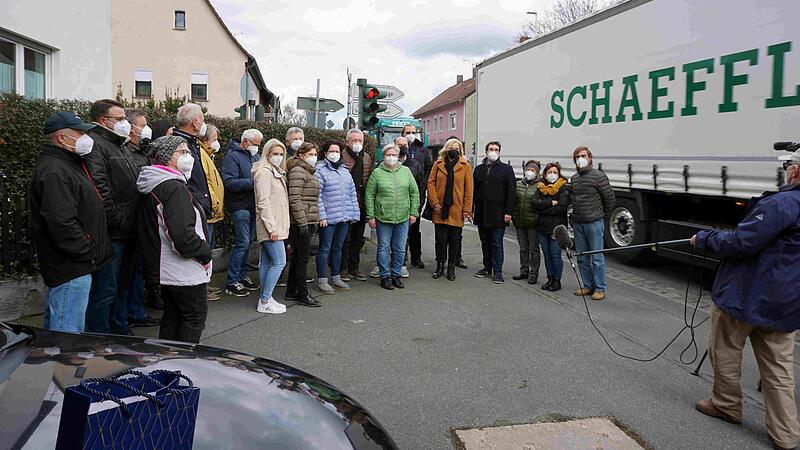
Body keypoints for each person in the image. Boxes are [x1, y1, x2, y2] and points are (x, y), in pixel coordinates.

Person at [690, 149, 800, 450]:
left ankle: (726, 405)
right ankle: (786, 435)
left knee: (724, 349)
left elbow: (742, 242)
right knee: (779, 369)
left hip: (747, 293)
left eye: (791, 165)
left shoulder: (785, 202)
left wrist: (706, 239)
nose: (788, 170)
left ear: (796, 171)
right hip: (787, 301)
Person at [29, 111, 112, 333]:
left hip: (74, 264)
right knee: (67, 332)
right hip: (71, 266)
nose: (86, 137)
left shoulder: (68, 163)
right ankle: (62, 368)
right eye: (80, 132)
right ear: (61, 138)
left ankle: (53, 365)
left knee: (60, 324)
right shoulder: (55, 170)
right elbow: (61, 220)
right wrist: (86, 251)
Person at [137, 136, 212, 343]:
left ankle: (167, 366)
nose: (189, 156)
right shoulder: (173, 188)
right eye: (182, 152)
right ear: (167, 157)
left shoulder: (158, 184)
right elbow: (182, 236)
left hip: (168, 269)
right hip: (183, 271)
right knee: (192, 319)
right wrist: (204, 253)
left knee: (172, 318)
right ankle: (182, 367)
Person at [83, 99, 140, 335]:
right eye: (120, 119)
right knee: (106, 288)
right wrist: (117, 218)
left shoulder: (121, 145)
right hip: (112, 231)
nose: (125, 123)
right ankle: (100, 338)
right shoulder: (96, 144)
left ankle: (120, 330)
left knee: (122, 286)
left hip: (128, 227)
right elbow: (99, 188)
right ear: (103, 120)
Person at [118, 108, 159, 328]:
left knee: (137, 272)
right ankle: (125, 317)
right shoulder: (124, 152)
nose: (146, 129)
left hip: (141, 221)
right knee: (126, 275)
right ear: (129, 127)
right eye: (142, 125)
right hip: (129, 222)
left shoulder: (142, 151)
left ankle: (136, 311)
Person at [365, 144, 420, 290]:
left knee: (400, 248)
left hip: (403, 216)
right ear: (383, 156)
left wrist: (414, 212)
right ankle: (385, 276)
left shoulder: (406, 171)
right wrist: (371, 216)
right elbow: (369, 195)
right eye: (388, 155)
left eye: (394, 155)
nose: (391, 157)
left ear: (398, 156)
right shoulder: (377, 173)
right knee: (383, 247)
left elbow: (414, 192)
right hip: (383, 217)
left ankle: (396, 275)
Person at [221, 129, 263, 297]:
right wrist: (253, 183)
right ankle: (232, 281)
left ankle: (242, 276)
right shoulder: (232, 156)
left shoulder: (255, 156)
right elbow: (229, 182)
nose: (257, 148)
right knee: (242, 242)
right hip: (239, 206)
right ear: (246, 142)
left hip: (253, 205)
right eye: (256, 144)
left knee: (248, 243)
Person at [570, 146, 615, 301]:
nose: (580, 158)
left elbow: (610, 199)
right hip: (578, 223)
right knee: (582, 257)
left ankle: (600, 288)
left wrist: (602, 217)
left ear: (590, 158)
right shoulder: (574, 178)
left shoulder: (599, 176)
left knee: (596, 257)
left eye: (583, 155)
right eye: (577, 156)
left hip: (594, 222)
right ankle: (588, 286)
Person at [315, 141, 360, 294]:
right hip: (328, 218)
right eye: (331, 150)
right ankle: (322, 280)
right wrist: (322, 216)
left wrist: (354, 214)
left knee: (338, 248)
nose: (334, 153)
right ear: (325, 152)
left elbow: (352, 194)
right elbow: (318, 196)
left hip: (344, 217)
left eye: (337, 151)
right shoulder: (319, 170)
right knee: (324, 248)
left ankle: (336, 276)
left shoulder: (344, 170)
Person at [252, 139, 290, 315]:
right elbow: (263, 202)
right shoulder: (265, 173)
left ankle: (266, 297)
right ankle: (265, 300)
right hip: (271, 226)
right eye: (275, 153)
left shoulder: (275, 171)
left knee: (267, 262)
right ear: (267, 154)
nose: (279, 157)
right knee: (279, 262)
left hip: (275, 225)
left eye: (281, 154)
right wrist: (272, 227)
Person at [428, 138, 473, 281]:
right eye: (452, 147)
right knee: (440, 240)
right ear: (446, 149)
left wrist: (467, 209)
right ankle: (440, 266)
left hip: (457, 209)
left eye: (457, 148)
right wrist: (434, 202)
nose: (454, 150)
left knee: (454, 240)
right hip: (439, 208)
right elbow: (431, 183)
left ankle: (451, 268)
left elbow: (469, 189)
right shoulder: (438, 163)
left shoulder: (465, 165)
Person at [472, 141, 516, 284]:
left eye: (496, 149)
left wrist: (509, 212)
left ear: (500, 152)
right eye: (491, 149)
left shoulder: (506, 169)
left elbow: (511, 192)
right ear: (486, 151)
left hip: (498, 214)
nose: (493, 152)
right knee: (485, 242)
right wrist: (472, 209)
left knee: (496, 243)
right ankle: (487, 267)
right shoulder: (478, 169)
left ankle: (498, 272)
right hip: (481, 213)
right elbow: (473, 191)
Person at [285, 142, 321, 307]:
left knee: (298, 258)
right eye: (310, 154)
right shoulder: (299, 171)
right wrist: (303, 223)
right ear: (301, 155)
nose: (313, 157)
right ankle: (302, 293)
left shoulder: (306, 171)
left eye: (315, 154)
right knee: (302, 259)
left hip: (306, 220)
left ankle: (292, 290)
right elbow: (294, 198)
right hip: (301, 222)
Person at [340, 128, 373, 282]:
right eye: (354, 140)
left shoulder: (366, 157)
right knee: (345, 238)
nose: (357, 144)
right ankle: (343, 269)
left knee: (357, 238)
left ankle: (355, 268)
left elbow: (369, 179)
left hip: (361, 203)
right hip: (345, 204)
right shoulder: (341, 155)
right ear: (347, 142)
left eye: (360, 141)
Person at [533, 162, 570, 292]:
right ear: (545, 174)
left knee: (555, 255)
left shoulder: (564, 188)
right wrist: (549, 203)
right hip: (542, 227)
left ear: (559, 174)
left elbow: (561, 207)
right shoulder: (541, 187)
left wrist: (544, 208)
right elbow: (535, 203)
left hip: (557, 227)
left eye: (555, 172)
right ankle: (549, 278)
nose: (552, 175)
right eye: (549, 172)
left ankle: (557, 280)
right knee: (547, 255)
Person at [198, 124, 225, 301]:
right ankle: (202, 288)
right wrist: (214, 205)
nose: (217, 142)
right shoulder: (202, 154)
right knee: (203, 252)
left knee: (208, 251)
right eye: (214, 138)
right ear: (206, 139)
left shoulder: (209, 155)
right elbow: (207, 184)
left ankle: (205, 285)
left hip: (212, 214)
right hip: (208, 212)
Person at [172, 104, 213, 219]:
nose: (203, 124)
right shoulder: (180, 146)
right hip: (192, 208)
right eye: (202, 120)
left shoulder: (193, 144)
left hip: (198, 206)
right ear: (195, 122)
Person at [401, 124, 432, 268]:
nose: (411, 134)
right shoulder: (399, 148)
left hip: (418, 194)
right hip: (401, 194)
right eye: (408, 132)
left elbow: (428, 169)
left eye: (413, 132)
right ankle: (401, 259)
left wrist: (423, 188)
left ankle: (416, 257)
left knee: (414, 228)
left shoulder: (423, 150)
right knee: (401, 230)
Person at [511, 160, 542, 284]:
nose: (530, 172)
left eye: (533, 170)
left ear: (537, 172)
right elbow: (513, 201)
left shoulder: (540, 186)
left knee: (534, 249)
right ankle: (524, 271)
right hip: (520, 221)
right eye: (528, 169)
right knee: (523, 248)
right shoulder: (518, 184)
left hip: (533, 223)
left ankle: (534, 273)